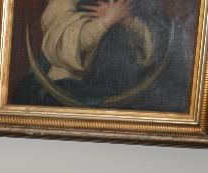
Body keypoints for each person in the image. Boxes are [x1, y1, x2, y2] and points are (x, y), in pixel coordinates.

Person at [14, 0, 191, 112]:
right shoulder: (64, 3)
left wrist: (128, 21)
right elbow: (60, 44)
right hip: (71, 91)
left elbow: (155, 45)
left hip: (130, 95)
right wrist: (106, 22)